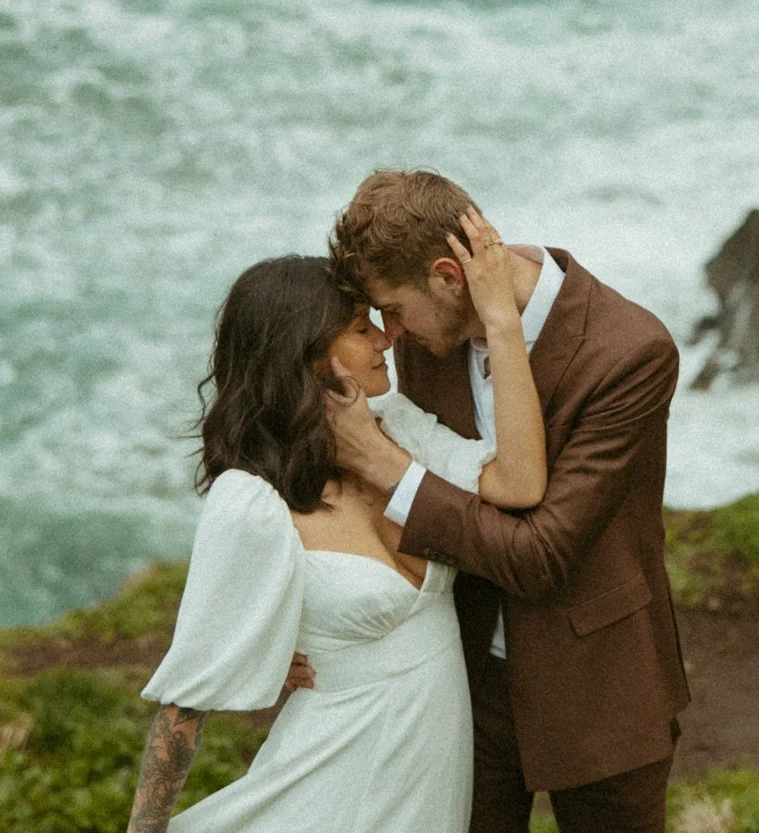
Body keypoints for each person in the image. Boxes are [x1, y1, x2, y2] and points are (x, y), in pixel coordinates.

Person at [125, 217, 542, 833]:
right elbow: (189, 700)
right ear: (309, 354)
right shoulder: (250, 502)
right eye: (359, 327)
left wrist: (504, 323)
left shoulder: (396, 428)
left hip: (429, 776)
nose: (383, 339)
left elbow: (519, 482)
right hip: (327, 780)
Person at [327, 170, 691, 833]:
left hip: (602, 685)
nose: (388, 332)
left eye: (393, 308)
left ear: (447, 276)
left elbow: (540, 554)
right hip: (460, 683)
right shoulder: (425, 335)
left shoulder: (630, 352)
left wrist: (385, 464)